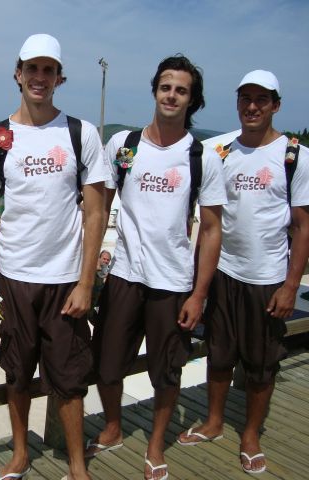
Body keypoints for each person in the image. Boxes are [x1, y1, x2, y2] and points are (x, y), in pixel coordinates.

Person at [0, 34, 109, 480]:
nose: (39, 77)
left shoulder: (81, 133)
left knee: (70, 379)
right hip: (13, 278)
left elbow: (96, 212)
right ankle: (20, 455)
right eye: (32, 68)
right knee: (16, 373)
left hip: (66, 280)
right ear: (18, 74)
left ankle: (77, 466)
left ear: (59, 78)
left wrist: (86, 282)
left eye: (48, 70)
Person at [88, 55, 226, 480]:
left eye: (181, 90)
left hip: (173, 281)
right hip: (124, 275)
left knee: (166, 372)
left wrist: (199, 294)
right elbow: (99, 208)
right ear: (155, 91)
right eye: (166, 87)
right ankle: (113, 427)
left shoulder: (201, 156)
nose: (172, 95)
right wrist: (88, 267)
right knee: (107, 365)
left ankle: (155, 443)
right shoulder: (124, 145)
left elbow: (211, 230)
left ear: (191, 100)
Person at [177, 70, 309, 475]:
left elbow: (303, 226)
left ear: (276, 105)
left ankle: (251, 434)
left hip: (267, 277)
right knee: (219, 353)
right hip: (222, 272)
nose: (252, 106)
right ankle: (214, 421)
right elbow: (204, 217)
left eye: (261, 99)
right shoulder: (218, 150)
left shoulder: (295, 156)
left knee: (261, 363)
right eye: (245, 98)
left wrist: (290, 286)